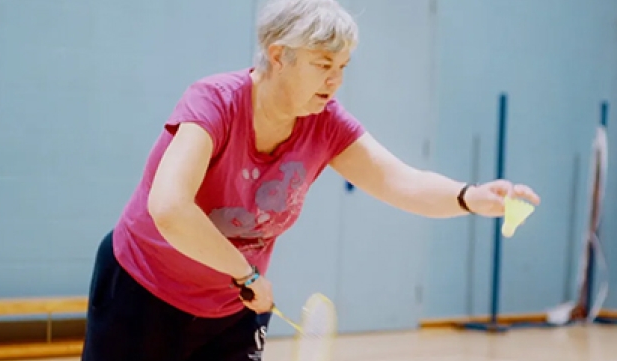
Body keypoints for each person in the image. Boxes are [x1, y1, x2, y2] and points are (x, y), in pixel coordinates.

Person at [81, 0, 541, 360]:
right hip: (142, 291)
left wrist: (471, 197)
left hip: (231, 307)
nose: (336, 80)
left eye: (343, 67)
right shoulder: (214, 103)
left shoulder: (326, 124)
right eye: (324, 64)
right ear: (280, 55)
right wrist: (244, 271)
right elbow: (169, 208)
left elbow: (401, 181)